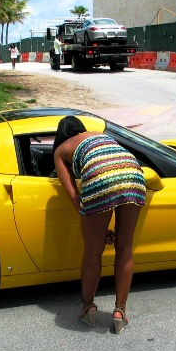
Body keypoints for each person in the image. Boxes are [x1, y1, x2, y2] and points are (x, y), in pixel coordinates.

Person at [53, 116, 146, 334]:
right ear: (81, 129)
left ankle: (88, 307)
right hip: (133, 172)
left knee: (93, 251)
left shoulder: (61, 150)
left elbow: (74, 195)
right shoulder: (101, 137)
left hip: (99, 176)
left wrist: (96, 226)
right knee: (125, 247)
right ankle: (120, 311)